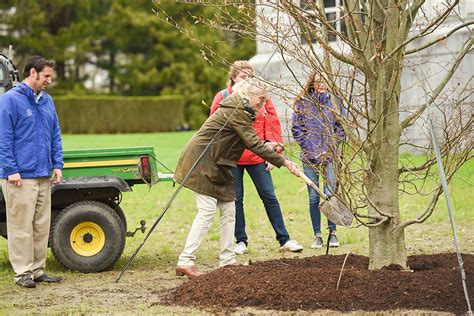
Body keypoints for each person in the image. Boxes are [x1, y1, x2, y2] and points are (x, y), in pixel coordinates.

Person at [175, 78, 301, 278]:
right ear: (249, 95)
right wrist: (285, 162)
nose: (263, 103)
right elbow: (252, 143)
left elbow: (245, 140)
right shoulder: (237, 110)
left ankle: (227, 260)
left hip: (219, 164)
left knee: (229, 209)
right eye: (261, 99)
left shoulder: (242, 109)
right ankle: (185, 261)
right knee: (206, 211)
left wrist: (268, 147)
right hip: (202, 163)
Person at [210, 60, 303, 255]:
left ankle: (284, 239)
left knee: (269, 196)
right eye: (244, 76)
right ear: (234, 77)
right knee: (236, 199)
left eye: (251, 76)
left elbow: (272, 122)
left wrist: (274, 152)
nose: (248, 79)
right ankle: (240, 241)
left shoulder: (260, 97)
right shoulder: (223, 97)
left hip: (259, 155)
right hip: (233, 157)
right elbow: (215, 128)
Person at [0, 55, 63, 288]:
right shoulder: (9, 101)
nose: (49, 80)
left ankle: (38, 270)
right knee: (20, 227)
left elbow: (55, 134)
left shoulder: (47, 101)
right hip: (19, 177)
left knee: (40, 225)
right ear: (33, 73)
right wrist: (10, 170)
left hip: (43, 175)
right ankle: (22, 273)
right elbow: (3, 139)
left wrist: (57, 164)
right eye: (46, 76)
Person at [291, 71, 346, 249]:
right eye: (317, 82)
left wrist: (331, 147)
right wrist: (311, 148)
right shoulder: (303, 103)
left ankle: (333, 232)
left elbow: (342, 127)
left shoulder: (335, 102)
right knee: (314, 197)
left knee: (330, 194)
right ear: (312, 83)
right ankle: (317, 235)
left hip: (330, 155)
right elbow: (296, 129)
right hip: (309, 156)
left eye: (324, 81)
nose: (321, 84)